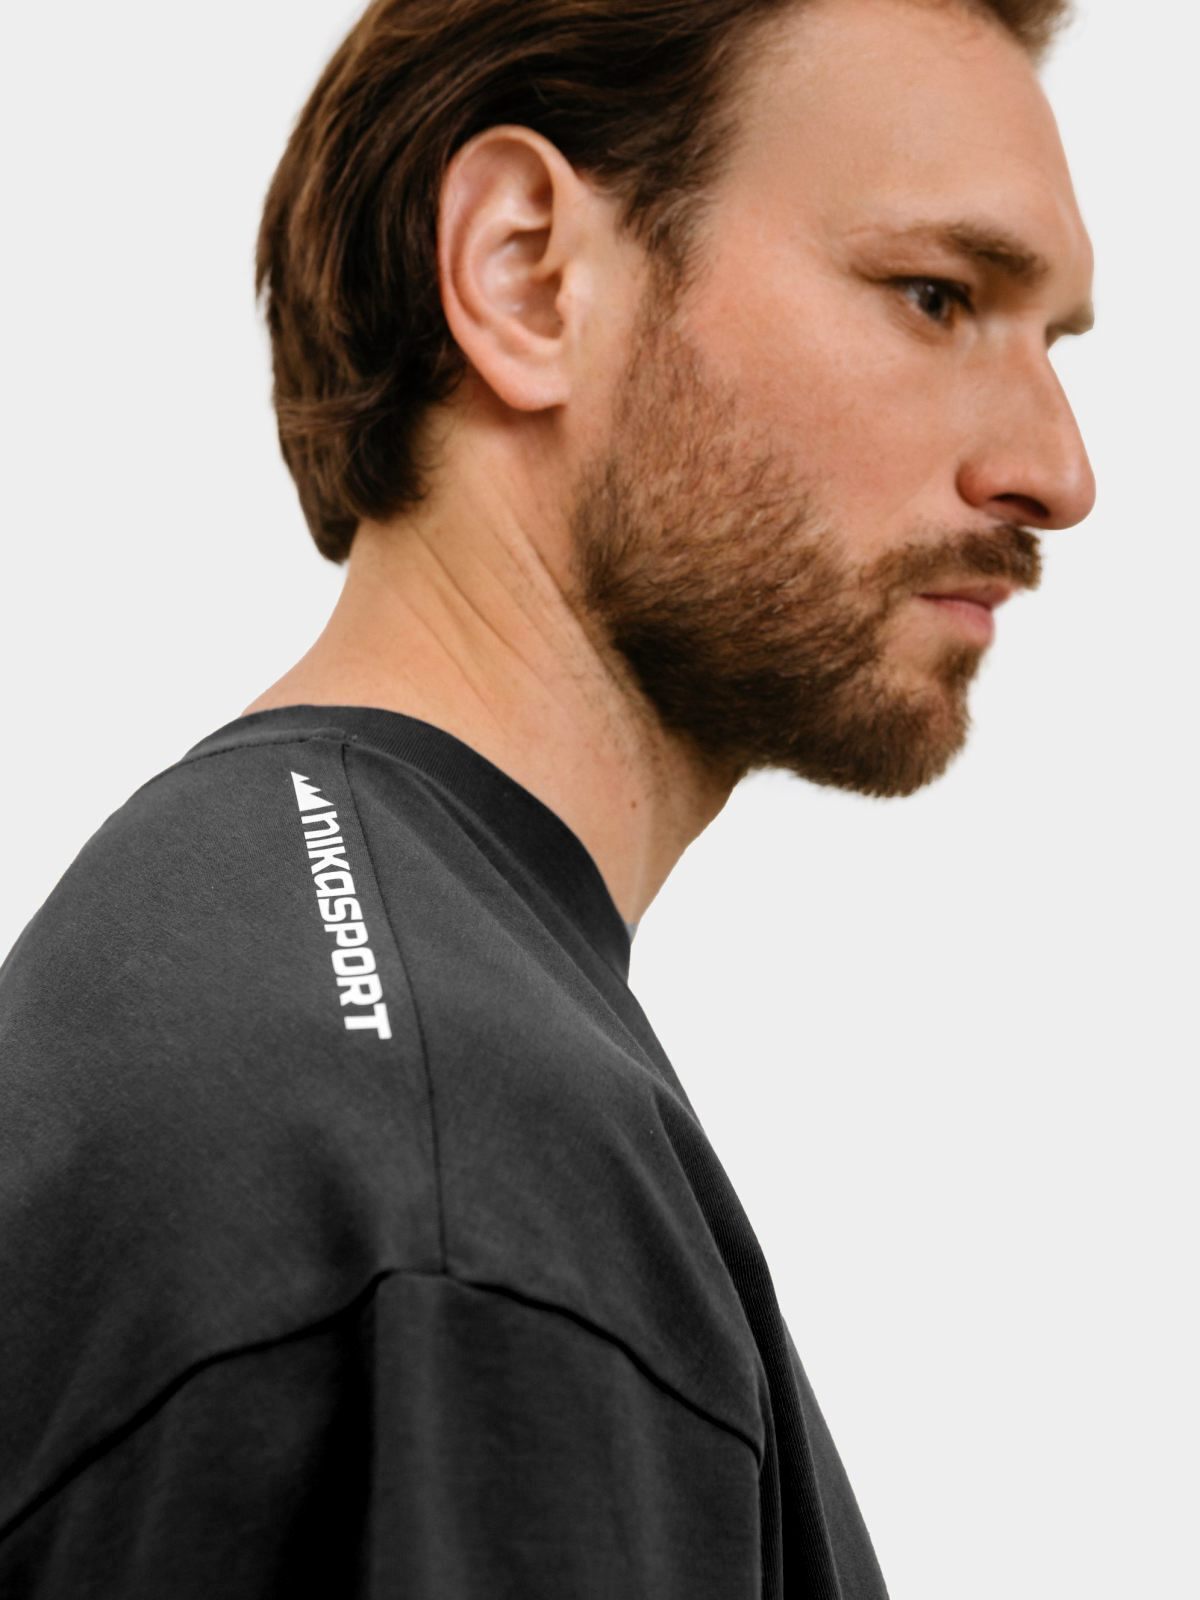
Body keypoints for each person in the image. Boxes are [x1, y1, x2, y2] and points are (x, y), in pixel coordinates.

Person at [0, 0, 1095, 1592]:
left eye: (1054, 341)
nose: (1058, 472)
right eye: (937, 296)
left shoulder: (209, 961)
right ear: (528, 274)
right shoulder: (463, 1181)